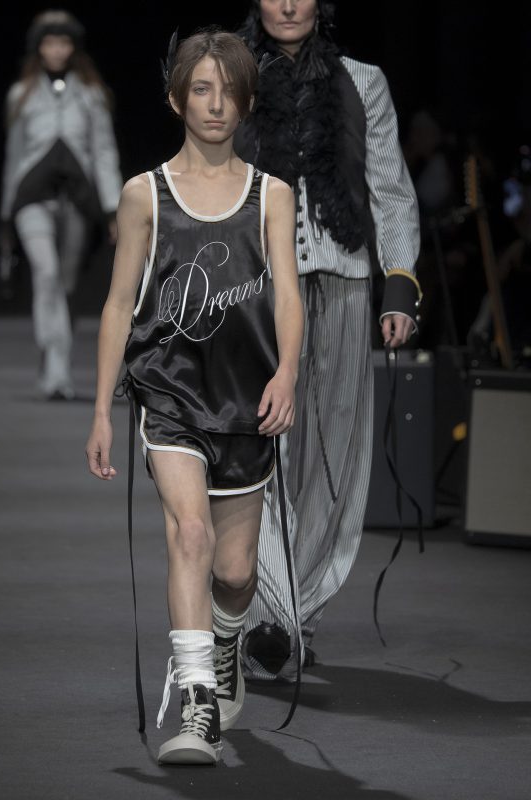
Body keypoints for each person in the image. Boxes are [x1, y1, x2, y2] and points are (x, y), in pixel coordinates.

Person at [85, 29, 303, 765]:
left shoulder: (272, 194)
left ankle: (228, 640)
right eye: (200, 89)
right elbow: (119, 304)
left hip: (248, 398)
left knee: (235, 572)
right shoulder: (143, 194)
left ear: (246, 101)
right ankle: (197, 705)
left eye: (229, 90)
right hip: (169, 391)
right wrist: (102, 410)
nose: (215, 104)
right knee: (189, 536)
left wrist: (288, 374)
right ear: (177, 97)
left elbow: (289, 295)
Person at [234, 0, 421, 680]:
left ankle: (294, 612)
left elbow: (390, 188)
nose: (287, 5)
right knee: (258, 443)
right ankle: (269, 612)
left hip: (343, 277)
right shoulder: (232, 73)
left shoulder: (362, 80)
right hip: (252, 283)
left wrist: (400, 280)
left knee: (337, 450)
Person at [0, 10, 122, 400]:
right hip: (32, 199)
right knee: (46, 273)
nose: (57, 49)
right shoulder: (20, 95)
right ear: (39, 47)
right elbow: (14, 156)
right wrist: (5, 214)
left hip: (77, 201)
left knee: (65, 286)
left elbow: (103, 151)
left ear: (74, 47)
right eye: (50, 42)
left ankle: (57, 370)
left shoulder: (92, 95)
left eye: (64, 42)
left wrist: (113, 208)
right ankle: (52, 359)